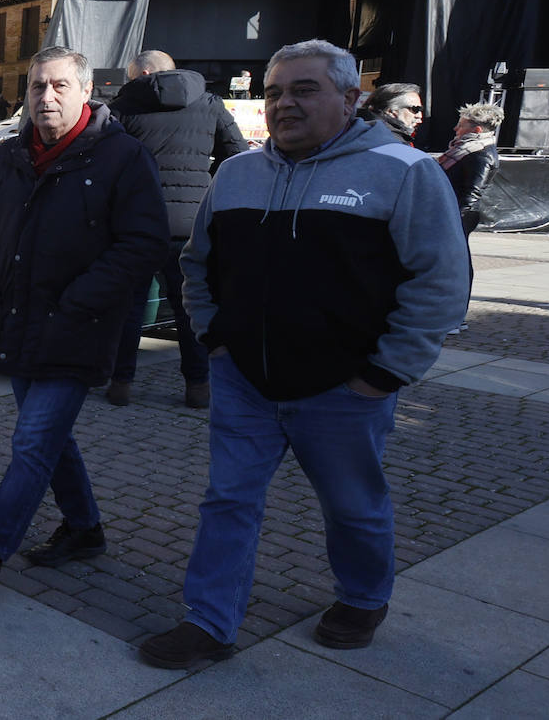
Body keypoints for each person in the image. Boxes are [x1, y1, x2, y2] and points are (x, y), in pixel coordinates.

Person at [137, 39, 469, 669]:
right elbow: (197, 265)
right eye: (273, 92)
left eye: (303, 89)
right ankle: (209, 621)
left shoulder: (403, 172)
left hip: (344, 390)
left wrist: (383, 374)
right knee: (228, 500)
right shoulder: (236, 174)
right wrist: (215, 340)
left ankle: (364, 597)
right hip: (245, 383)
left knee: (352, 505)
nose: (283, 103)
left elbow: (441, 284)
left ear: (350, 98)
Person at [0, 46, 169, 594]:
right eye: (37, 86)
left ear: (87, 91)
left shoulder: (121, 158)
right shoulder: (6, 158)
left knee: (32, 442)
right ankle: (85, 528)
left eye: (60, 86)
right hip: (16, 322)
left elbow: (143, 244)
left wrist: (79, 300)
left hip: (79, 329)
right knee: (50, 440)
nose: (46, 96)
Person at [108, 50, 249, 409]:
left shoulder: (126, 104)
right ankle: (198, 387)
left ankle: (121, 383)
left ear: (142, 72)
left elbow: (107, 159)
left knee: (129, 306)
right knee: (188, 308)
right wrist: (208, 192)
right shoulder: (210, 103)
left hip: (137, 221)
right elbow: (239, 153)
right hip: (191, 224)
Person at [437, 102, 503, 332]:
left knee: (455, 266)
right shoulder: (465, 150)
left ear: (476, 130)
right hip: (453, 212)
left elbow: (473, 193)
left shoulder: (480, 153)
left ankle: (453, 318)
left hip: (459, 215)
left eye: (461, 125)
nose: (456, 129)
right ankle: (450, 316)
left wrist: (455, 220)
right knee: (450, 265)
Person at [358, 82, 424, 145]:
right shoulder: (389, 142)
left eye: (421, 109)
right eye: (415, 109)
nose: (419, 116)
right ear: (390, 111)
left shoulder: (356, 129)